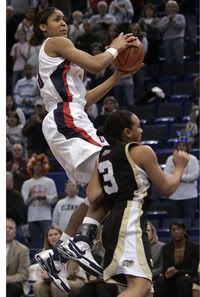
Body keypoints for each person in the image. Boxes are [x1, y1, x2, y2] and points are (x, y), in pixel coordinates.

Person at [29, 6, 141, 294]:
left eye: (66, 20)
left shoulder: (59, 58)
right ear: (43, 27)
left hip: (71, 116)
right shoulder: (55, 43)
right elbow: (94, 64)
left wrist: (117, 76)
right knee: (108, 179)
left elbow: (85, 98)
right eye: (57, 19)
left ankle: (57, 255)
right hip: (65, 119)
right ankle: (81, 242)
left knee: (100, 192)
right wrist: (115, 48)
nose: (64, 24)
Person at [86, 110, 189, 297]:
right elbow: (167, 188)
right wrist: (180, 167)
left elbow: (93, 196)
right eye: (138, 126)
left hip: (111, 224)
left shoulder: (102, 156)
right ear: (127, 132)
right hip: (130, 219)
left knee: (144, 291)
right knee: (140, 287)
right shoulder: (141, 151)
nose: (141, 130)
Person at [33, 225, 87, 297]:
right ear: (47, 238)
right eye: (50, 235)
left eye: (56, 234)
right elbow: (44, 272)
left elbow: (70, 272)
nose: (53, 237)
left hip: (75, 280)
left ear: (61, 236)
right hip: (54, 281)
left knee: (57, 285)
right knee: (38, 286)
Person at [154, 221, 199, 297]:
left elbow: (193, 270)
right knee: (160, 281)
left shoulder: (194, 247)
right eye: (173, 229)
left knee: (182, 280)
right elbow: (165, 268)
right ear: (170, 232)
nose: (176, 232)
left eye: (179, 229)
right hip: (172, 277)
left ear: (184, 231)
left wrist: (177, 272)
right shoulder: (166, 248)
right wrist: (168, 271)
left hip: (188, 277)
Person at [21, 153, 57, 248]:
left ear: (44, 166)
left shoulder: (49, 182)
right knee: (35, 245)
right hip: (32, 218)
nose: (37, 168)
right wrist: (31, 196)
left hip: (46, 217)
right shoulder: (27, 183)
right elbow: (25, 202)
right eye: (35, 165)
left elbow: (54, 199)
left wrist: (45, 197)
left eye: (40, 165)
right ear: (31, 166)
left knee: (49, 243)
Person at [164, 138, 199, 226]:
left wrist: (177, 177)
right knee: (175, 223)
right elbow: (166, 175)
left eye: (184, 145)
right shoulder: (170, 159)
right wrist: (183, 178)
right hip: (174, 196)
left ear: (187, 147)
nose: (182, 147)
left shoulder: (193, 159)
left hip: (189, 196)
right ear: (176, 146)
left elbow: (194, 176)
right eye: (180, 145)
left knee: (190, 222)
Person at [6, 218, 30, 297]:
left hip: (10, 284)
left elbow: (24, 274)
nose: (7, 230)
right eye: (5, 227)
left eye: (10, 228)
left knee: (14, 288)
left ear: (15, 233)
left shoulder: (22, 250)